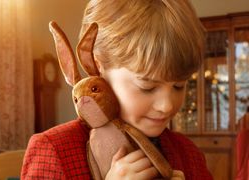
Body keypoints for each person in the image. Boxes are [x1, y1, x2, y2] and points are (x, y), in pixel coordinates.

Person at [21, 0, 213, 179]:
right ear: (98, 66)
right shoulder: (53, 150)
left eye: (179, 86)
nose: (167, 105)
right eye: (147, 86)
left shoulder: (189, 154)